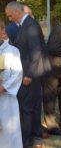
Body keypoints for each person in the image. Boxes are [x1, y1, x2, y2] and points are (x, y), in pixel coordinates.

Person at [5, 2, 51, 148]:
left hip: (29, 76)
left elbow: (36, 53)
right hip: (30, 74)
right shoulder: (27, 24)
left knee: (26, 110)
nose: (10, 19)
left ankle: (26, 142)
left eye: (10, 15)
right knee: (31, 108)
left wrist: (29, 75)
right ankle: (33, 138)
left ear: (16, 12)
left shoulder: (30, 25)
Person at [0, 19, 23, 148]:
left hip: (6, 99)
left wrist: (3, 87)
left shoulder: (12, 51)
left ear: (2, 31)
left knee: (9, 132)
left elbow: (17, 73)